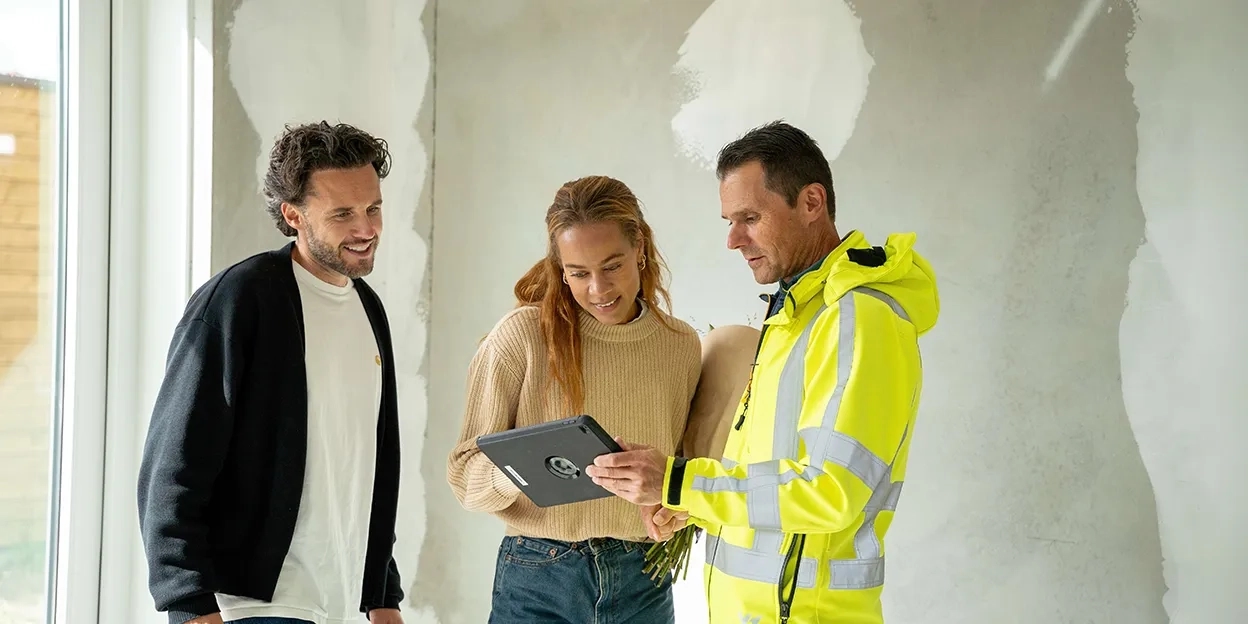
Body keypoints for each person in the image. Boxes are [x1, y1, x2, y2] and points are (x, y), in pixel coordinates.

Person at [587, 120, 941, 624]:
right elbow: (772, 479)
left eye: (750, 217)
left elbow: (829, 491)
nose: (733, 239)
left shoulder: (857, 318)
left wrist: (677, 480)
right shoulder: (795, 317)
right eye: (729, 221)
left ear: (812, 202)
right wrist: (691, 505)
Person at [137, 121, 405, 624]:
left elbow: (368, 461)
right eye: (343, 214)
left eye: (373, 208)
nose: (366, 229)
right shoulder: (241, 299)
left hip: (340, 600)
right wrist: (187, 602)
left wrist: (383, 593)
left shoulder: (368, 309)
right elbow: (175, 462)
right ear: (293, 215)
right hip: (255, 603)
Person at [446, 175, 702, 624]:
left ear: (639, 248)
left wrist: (672, 510)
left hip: (643, 578)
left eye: (612, 266)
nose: (598, 290)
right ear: (560, 269)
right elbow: (465, 479)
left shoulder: (679, 344)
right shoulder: (522, 337)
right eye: (579, 273)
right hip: (538, 574)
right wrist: (531, 464)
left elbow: (681, 470)